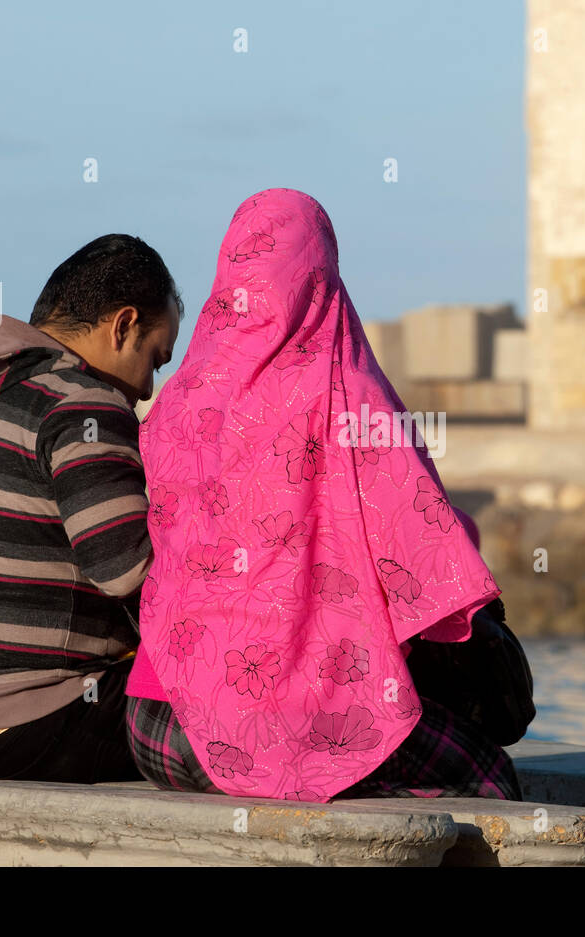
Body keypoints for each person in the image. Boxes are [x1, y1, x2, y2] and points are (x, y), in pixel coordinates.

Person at [124, 187, 523, 803]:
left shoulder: (179, 399)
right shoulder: (350, 397)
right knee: (486, 777)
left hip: (154, 724)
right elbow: (424, 550)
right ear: (321, 272)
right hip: (261, 729)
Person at [0, 234, 182, 783]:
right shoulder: (82, 402)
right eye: (155, 358)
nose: (147, 389)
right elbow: (131, 575)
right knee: (239, 707)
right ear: (122, 326)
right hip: (33, 724)